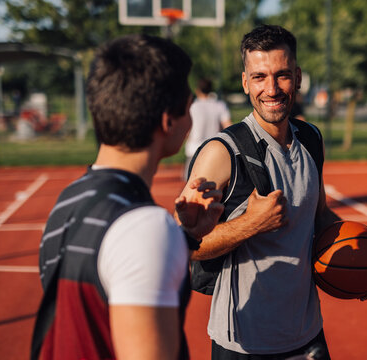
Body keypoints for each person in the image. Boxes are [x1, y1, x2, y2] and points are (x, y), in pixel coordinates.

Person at [178, 25, 367, 359]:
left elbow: (319, 214)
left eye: (282, 75)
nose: (272, 89)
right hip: (242, 341)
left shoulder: (310, 138)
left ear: (299, 76)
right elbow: (188, 246)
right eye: (260, 77)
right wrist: (252, 223)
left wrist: (362, 254)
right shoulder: (221, 152)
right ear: (245, 82)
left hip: (307, 334)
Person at [30, 34, 224, 360]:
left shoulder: (68, 200)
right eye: (188, 107)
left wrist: (185, 238)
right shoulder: (145, 227)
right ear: (168, 120)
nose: (191, 120)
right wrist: (163, 236)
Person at [184, 77, 232, 178]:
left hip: (193, 149)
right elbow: (228, 126)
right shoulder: (220, 106)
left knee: (190, 183)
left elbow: (186, 129)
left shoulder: (192, 106)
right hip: (213, 150)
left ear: (197, 90)